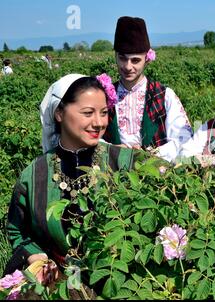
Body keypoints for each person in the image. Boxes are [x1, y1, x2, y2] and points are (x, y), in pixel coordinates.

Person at [3, 73, 136, 280]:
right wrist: (36, 257)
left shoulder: (126, 162)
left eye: (103, 113)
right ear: (59, 114)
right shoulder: (35, 174)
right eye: (88, 113)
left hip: (120, 280)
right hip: (59, 283)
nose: (99, 122)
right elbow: (17, 230)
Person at [102, 16, 193, 162]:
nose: (127, 66)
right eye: (122, 58)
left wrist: (150, 153)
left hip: (155, 175)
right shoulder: (103, 95)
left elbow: (184, 138)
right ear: (115, 56)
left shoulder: (164, 95)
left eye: (135, 60)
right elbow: (88, 136)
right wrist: (114, 150)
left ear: (147, 59)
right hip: (111, 175)